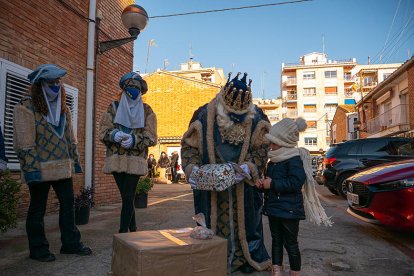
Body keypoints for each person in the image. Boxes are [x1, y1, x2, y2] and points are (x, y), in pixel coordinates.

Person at [181, 72, 271, 273]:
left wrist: (249, 167)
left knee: (247, 227)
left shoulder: (258, 117)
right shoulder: (203, 115)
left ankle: (243, 259)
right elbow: (189, 148)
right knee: (210, 227)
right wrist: (192, 170)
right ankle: (213, 260)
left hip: (244, 189)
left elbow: (262, 148)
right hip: (211, 189)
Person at [13, 64, 92, 262]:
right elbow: (24, 142)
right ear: (40, 85)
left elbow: (70, 139)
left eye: (58, 82)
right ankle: (38, 249)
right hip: (40, 168)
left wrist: (75, 163)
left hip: (62, 168)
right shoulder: (25, 106)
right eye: (51, 82)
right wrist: (31, 170)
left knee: (68, 205)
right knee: (38, 209)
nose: (56, 86)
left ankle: (71, 244)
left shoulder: (63, 110)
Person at [256, 117, 332, 276]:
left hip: (290, 210)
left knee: (290, 243)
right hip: (274, 209)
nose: (270, 146)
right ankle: (276, 269)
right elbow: (271, 184)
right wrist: (263, 186)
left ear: (284, 141)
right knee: (276, 241)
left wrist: (272, 184)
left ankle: (295, 271)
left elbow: (295, 182)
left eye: (273, 143)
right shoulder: (273, 161)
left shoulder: (294, 159)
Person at [99, 72, 157, 233]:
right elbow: (103, 132)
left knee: (127, 197)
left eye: (136, 87)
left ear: (141, 90)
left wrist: (135, 140)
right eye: (130, 87)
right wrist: (114, 135)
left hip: (135, 161)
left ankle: (123, 233)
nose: (133, 90)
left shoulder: (146, 111)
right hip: (116, 160)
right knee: (127, 197)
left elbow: (151, 137)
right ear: (124, 89)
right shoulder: (114, 107)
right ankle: (133, 228)